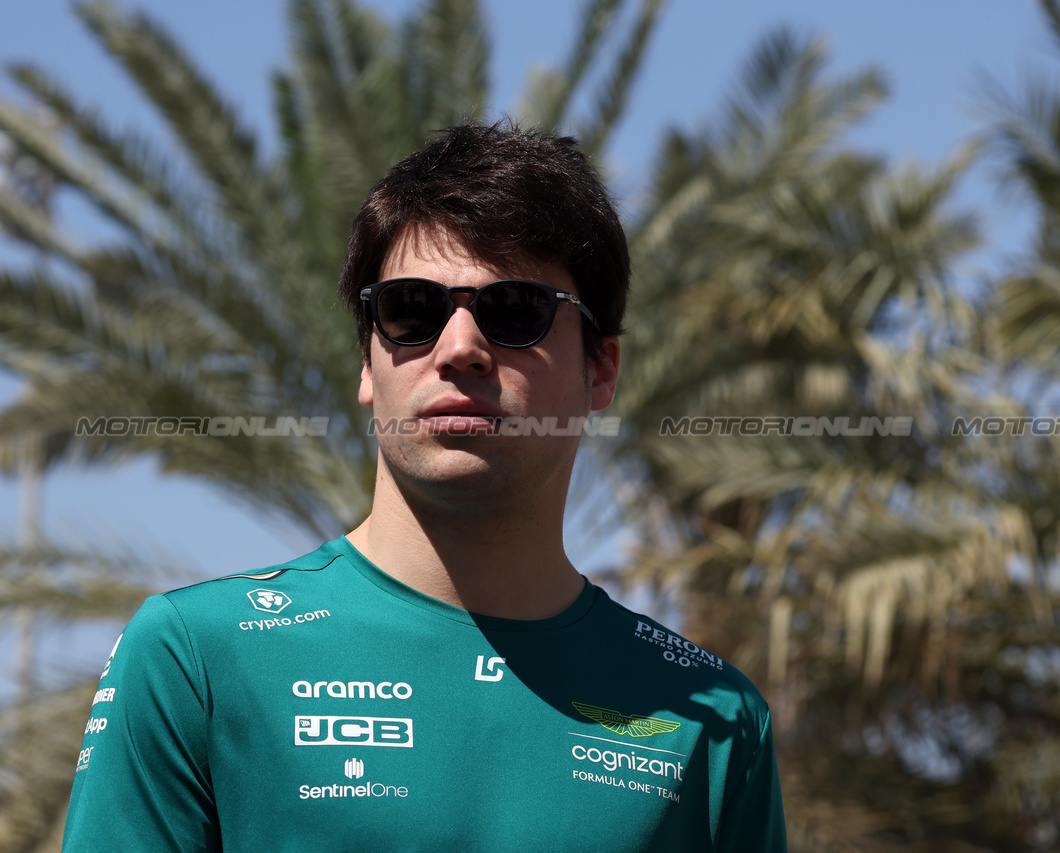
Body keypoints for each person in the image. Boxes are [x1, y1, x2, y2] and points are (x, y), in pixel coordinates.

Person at [61, 123, 787, 852]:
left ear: (601, 367)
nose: (460, 346)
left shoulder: (715, 722)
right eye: (411, 308)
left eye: (514, 311)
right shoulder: (196, 658)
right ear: (370, 365)